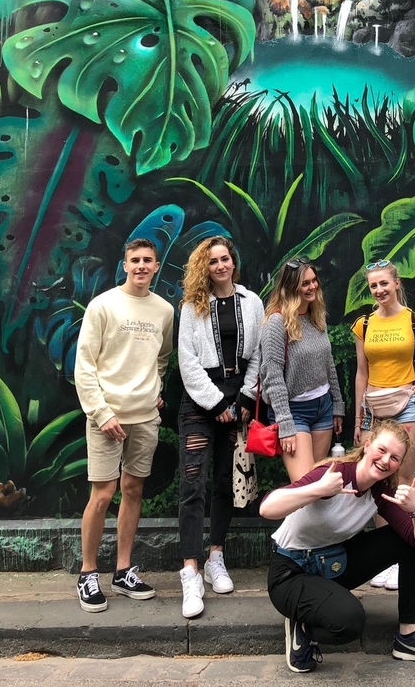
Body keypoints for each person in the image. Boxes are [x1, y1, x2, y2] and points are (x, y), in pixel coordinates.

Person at [260, 419, 415, 672]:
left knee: (411, 543)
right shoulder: (334, 475)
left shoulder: (381, 492)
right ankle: (304, 626)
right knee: (350, 621)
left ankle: (409, 637)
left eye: (395, 458)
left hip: (332, 564)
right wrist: (317, 489)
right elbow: (267, 508)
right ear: (368, 444)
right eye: (382, 450)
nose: (386, 461)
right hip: (290, 574)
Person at [74, 238, 174, 613]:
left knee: (133, 490)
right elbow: (84, 366)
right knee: (102, 494)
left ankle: (123, 571)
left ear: (157, 265)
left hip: (145, 417)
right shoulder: (103, 305)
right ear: (125, 264)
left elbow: (161, 358)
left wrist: (155, 390)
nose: (142, 266)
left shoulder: (164, 310)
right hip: (106, 417)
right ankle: (87, 574)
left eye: (148, 260)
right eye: (135, 260)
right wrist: (102, 414)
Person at [177, 236, 264, 618]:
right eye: (212, 261)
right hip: (200, 402)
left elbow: (260, 353)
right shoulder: (191, 305)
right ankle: (190, 571)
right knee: (192, 484)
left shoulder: (252, 302)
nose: (220, 266)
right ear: (204, 267)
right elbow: (187, 360)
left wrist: (244, 399)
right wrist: (215, 403)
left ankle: (216, 557)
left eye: (225, 259)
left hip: (239, 395)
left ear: (234, 261)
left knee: (227, 482)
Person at [351, 260, 415, 591]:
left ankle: (404, 554)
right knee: (377, 483)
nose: (379, 290)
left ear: (397, 283)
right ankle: (384, 559)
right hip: (373, 409)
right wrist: (358, 417)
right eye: (373, 286)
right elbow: (361, 371)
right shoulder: (364, 324)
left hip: (407, 406)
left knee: (403, 484)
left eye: (384, 283)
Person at [260, 258, 344, 482]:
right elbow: (273, 376)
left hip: (323, 408)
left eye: (314, 281)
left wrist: (337, 404)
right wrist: (285, 424)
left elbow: (329, 364)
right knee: (306, 486)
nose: (312, 287)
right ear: (290, 287)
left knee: (319, 482)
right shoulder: (277, 323)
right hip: (294, 411)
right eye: (305, 283)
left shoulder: (317, 316)